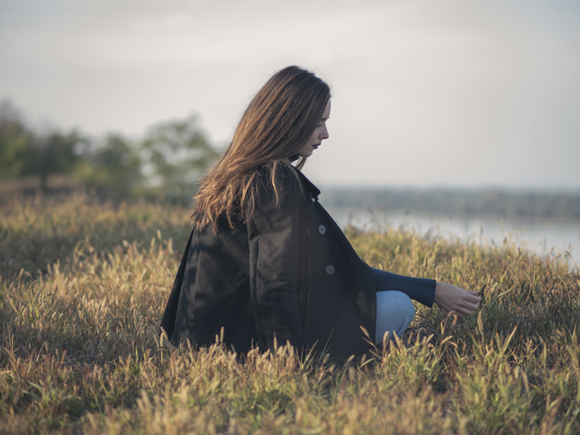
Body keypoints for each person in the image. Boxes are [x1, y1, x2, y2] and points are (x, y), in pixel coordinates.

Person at [160, 66, 481, 356]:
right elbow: (276, 283)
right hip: (243, 345)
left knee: (382, 301)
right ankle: (361, 358)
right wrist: (288, 362)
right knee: (399, 306)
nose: (325, 134)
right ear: (289, 121)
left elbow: (338, 270)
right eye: (318, 123)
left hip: (201, 339)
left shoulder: (235, 175)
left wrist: (432, 289)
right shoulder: (274, 180)